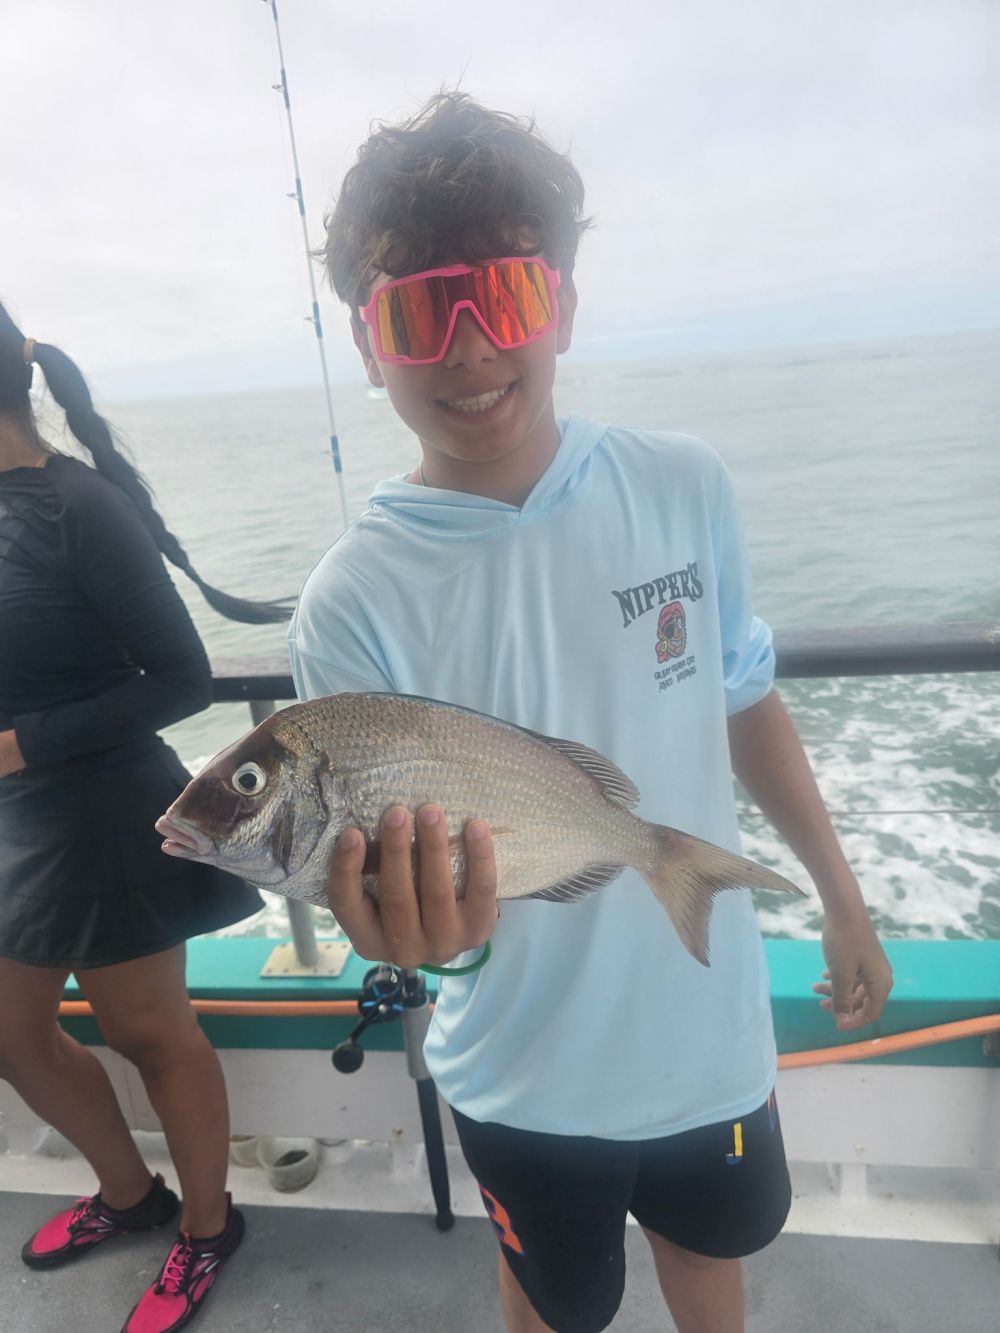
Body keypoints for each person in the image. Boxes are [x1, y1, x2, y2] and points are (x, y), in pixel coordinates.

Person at [288, 93, 894, 1333]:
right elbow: (403, 913)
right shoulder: (347, 604)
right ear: (367, 342)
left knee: (707, 1269)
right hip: (519, 1073)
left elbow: (744, 697)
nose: (464, 349)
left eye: (502, 296)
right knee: (551, 1302)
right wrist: (409, 936)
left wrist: (840, 896)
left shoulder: (681, 484)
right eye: (416, 310)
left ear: (560, 302)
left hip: (706, 1033)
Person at [0, 301, 288, 1333]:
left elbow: (182, 677)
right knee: (11, 1033)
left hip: (101, 812)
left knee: (146, 1031)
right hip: (10, 824)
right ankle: (130, 1195)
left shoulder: (77, 507)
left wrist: (21, 743)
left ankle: (208, 1229)